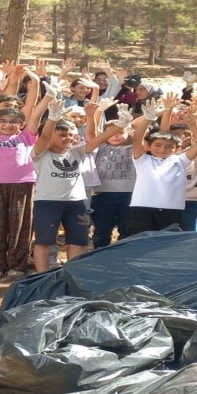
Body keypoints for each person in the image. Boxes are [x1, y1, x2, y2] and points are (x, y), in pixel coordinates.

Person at [30, 101, 123, 272]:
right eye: (63, 134)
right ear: (52, 135)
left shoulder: (77, 151)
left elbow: (99, 139)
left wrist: (121, 124)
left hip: (76, 202)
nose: (68, 138)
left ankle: (73, 273)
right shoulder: (40, 153)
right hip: (48, 202)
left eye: (72, 135)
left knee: (79, 240)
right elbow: (44, 137)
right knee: (44, 241)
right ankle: (41, 275)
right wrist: (52, 118)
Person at [0, 89, 49, 280]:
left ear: (21, 124)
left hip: (22, 185)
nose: (8, 125)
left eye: (13, 122)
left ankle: (17, 265)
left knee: (20, 227)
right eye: (3, 121)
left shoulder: (26, 137)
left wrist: (48, 96)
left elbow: (36, 115)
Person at [127, 94, 197, 235]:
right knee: (139, 243)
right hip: (142, 208)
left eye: (169, 147)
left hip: (171, 209)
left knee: (163, 245)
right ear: (149, 147)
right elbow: (137, 139)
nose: (163, 149)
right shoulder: (142, 159)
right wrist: (149, 117)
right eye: (157, 145)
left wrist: (192, 124)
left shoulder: (180, 161)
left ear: (177, 149)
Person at [89, 104, 136, 246]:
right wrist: (96, 113)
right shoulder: (100, 147)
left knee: (127, 229)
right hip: (102, 195)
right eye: (110, 133)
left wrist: (127, 123)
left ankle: (121, 257)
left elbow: (141, 137)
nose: (115, 136)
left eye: (121, 132)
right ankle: (99, 255)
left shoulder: (134, 147)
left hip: (129, 194)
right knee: (102, 230)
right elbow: (91, 134)